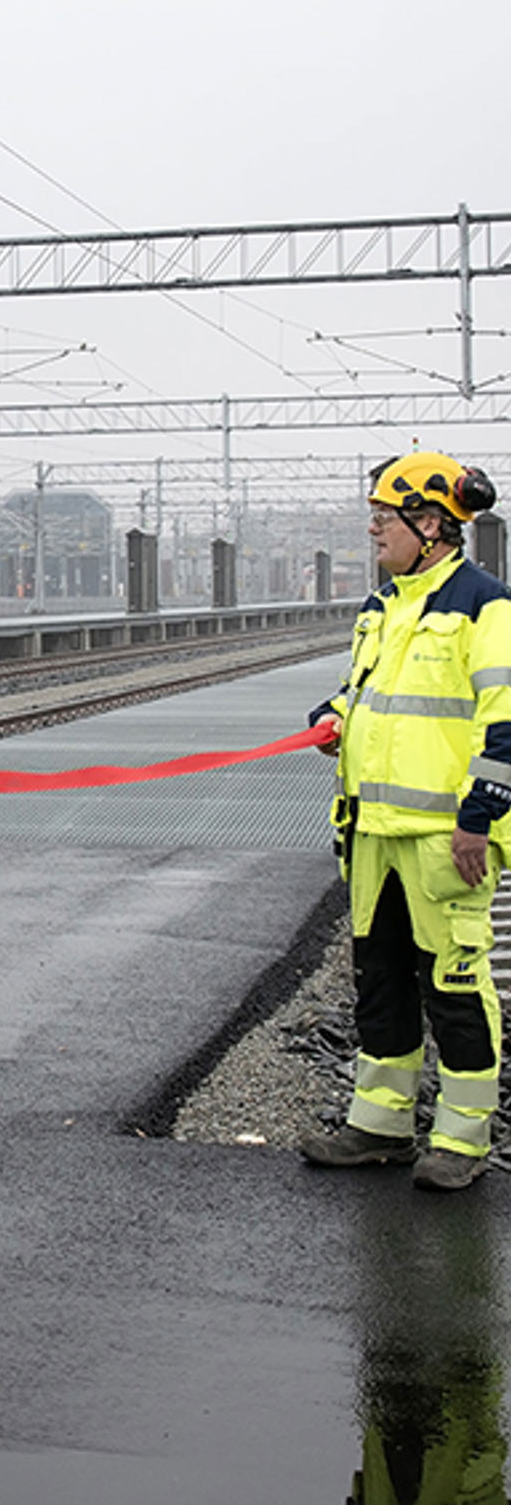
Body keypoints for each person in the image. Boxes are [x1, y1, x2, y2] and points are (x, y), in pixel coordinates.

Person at [301, 451, 511, 1191]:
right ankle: (380, 1128)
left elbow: (506, 724)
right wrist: (332, 715)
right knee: (381, 982)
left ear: (431, 525)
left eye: (383, 518)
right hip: (373, 836)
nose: (372, 529)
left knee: (453, 991)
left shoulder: (486, 607)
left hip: (442, 842)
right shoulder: (382, 608)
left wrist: (477, 821)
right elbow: (370, 697)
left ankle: (462, 1141)